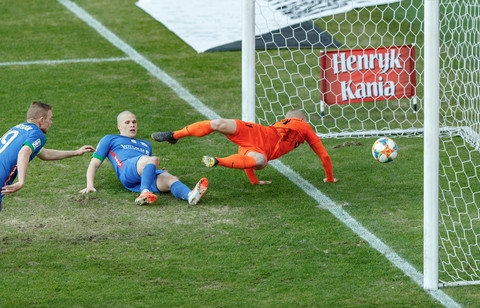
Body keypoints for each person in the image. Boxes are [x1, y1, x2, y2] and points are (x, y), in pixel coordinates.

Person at [152, 109, 337, 185]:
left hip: (257, 132)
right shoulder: (305, 126)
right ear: (302, 119)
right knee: (260, 161)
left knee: (217, 123)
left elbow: (246, 160)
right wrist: (329, 178)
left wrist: (255, 182)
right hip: (262, 149)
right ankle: (218, 161)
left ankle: (175, 135)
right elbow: (325, 156)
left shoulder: (280, 123)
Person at [79, 111, 208, 206]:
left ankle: (190, 196)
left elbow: (147, 165)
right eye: (127, 122)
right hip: (126, 169)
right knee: (152, 160)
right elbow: (94, 164)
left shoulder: (145, 144)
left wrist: (154, 169)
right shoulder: (110, 139)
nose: (132, 125)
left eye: (134, 122)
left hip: (141, 173)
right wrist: (89, 185)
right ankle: (144, 192)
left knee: (171, 178)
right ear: (119, 126)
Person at [0, 101, 95, 212]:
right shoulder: (37, 134)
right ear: (41, 120)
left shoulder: (18, 128)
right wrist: (21, 182)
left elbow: (45, 154)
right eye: (50, 119)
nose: (51, 122)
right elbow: (24, 152)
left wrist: (76, 152)